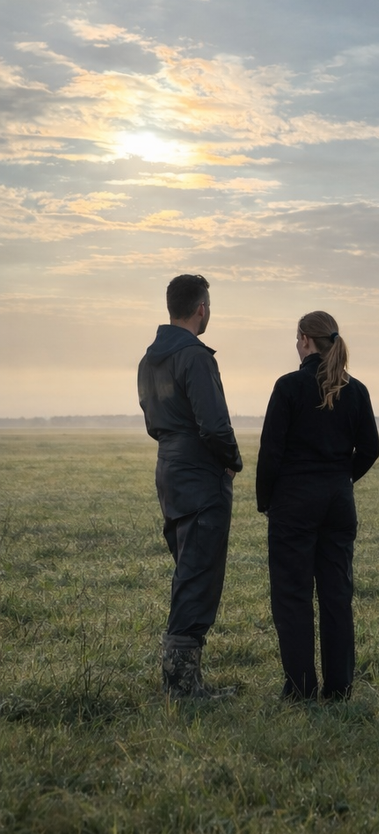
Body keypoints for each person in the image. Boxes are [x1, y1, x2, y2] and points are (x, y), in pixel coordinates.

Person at [256, 311, 379, 702]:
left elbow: (270, 452)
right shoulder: (356, 390)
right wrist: (342, 480)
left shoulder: (289, 387)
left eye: (297, 340)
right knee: (336, 595)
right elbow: (370, 449)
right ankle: (340, 687)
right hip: (338, 504)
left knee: (292, 596)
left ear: (306, 340)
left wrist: (267, 501)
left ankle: (300, 687)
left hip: (294, 504)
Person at [138, 274, 242, 698]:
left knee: (187, 570)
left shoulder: (149, 359)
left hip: (169, 469)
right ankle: (181, 685)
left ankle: (183, 678)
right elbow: (214, 423)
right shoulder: (195, 357)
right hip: (200, 473)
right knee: (199, 576)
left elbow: (152, 420)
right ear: (202, 308)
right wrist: (232, 461)